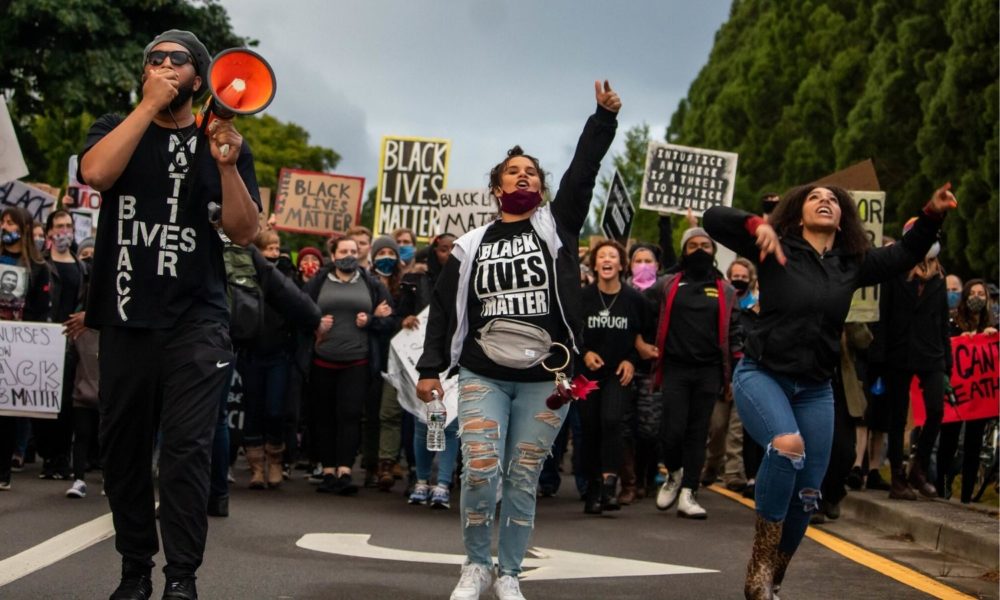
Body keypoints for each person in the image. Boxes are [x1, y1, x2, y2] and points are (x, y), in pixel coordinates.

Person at [416, 81, 620, 600]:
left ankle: (509, 574)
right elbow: (443, 310)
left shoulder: (556, 226)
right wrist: (428, 369)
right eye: (514, 171)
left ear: (541, 186)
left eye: (531, 171)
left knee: (523, 476)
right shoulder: (469, 244)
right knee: (481, 469)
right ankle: (475, 566)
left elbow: (584, 172)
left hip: (546, 381)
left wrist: (601, 120)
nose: (524, 175)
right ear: (496, 188)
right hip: (484, 373)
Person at [703, 182, 955, 600]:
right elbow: (713, 218)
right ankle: (759, 568)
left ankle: (774, 579)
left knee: (807, 495)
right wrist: (755, 224)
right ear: (797, 212)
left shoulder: (852, 263)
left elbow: (907, 253)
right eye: (814, 197)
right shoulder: (774, 246)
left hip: (816, 389)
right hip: (762, 374)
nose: (825, 201)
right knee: (786, 445)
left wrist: (931, 214)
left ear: (844, 218)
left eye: (834, 199)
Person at [78, 29, 261, 600]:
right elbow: (97, 175)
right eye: (151, 60)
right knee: (124, 450)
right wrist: (148, 107)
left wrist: (228, 166)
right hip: (126, 316)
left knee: (185, 451)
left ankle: (181, 576)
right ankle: (135, 569)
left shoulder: (221, 140)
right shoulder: (115, 127)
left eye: (174, 60)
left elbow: (244, 230)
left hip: (196, 322)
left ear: (199, 78)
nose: (160, 65)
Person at [648, 227, 736, 519]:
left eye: (705, 246)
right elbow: (642, 310)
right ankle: (674, 473)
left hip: (709, 371)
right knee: (671, 431)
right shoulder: (668, 284)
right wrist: (641, 344)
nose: (700, 250)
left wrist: (734, 374)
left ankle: (689, 492)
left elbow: (734, 332)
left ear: (714, 252)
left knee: (699, 433)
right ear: (684, 252)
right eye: (692, 246)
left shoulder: (725, 290)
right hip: (675, 368)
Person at [303, 236, 393, 495]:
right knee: (324, 416)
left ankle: (345, 470)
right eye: (344, 251)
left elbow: (390, 320)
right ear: (333, 255)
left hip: (358, 360)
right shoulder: (318, 282)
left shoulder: (371, 284)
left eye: (353, 251)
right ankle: (328, 470)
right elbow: (298, 311)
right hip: (322, 359)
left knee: (350, 415)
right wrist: (316, 322)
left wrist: (372, 321)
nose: (349, 255)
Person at [238, 231, 323, 490]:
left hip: (279, 354)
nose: (273, 253)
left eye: (276, 248)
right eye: (268, 248)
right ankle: (255, 467)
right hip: (251, 353)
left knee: (276, 410)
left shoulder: (283, 277)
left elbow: (297, 303)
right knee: (252, 410)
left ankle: (275, 460)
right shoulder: (246, 272)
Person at [880, 227, 950, 500]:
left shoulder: (939, 278)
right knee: (897, 417)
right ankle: (897, 475)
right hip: (900, 352)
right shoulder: (895, 272)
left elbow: (943, 321)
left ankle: (917, 467)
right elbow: (884, 313)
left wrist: (948, 362)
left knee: (936, 410)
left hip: (931, 353)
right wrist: (880, 356)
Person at [578, 239, 645, 514]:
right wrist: (584, 354)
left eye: (612, 256)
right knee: (590, 428)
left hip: (618, 374)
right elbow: (570, 334)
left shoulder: (635, 300)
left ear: (621, 264)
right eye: (602, 256)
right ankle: (592, 489)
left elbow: (643, 339)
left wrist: (632, 360)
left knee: (612, 422)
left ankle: (609, 485)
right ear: (594, 263)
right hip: (588, 375)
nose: (607, 260)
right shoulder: (582, 298)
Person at [0, 206, 51, 491]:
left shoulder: (38, 268)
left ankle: (3, 469)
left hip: (16, 346)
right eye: (3, 222)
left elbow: (41, 310)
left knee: (6, 411)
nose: (6, 226)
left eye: (11, 222)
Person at [937, 279, 998, 503]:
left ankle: (966, 496)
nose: (977, 298)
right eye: (972, 293)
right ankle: (942, 486)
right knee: (949, 441)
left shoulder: (993, 325)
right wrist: (961, 340)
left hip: (979, 396)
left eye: (981, 294)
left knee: (973, 444)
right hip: (957, 393)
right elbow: (945, 346)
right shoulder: (953, 323)